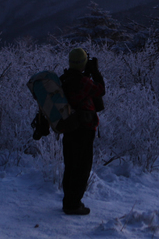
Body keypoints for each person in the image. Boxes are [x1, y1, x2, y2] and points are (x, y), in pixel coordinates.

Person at [59, 47, 105, 215]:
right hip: (84, 130)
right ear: (83, 63)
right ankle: (73, 204)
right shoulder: (84, 82)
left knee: (71, 165)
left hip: (69, 129)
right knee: (82, 167)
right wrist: (95, 72)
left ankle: (68, 201)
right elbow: (101, 90)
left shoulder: (64, 79)